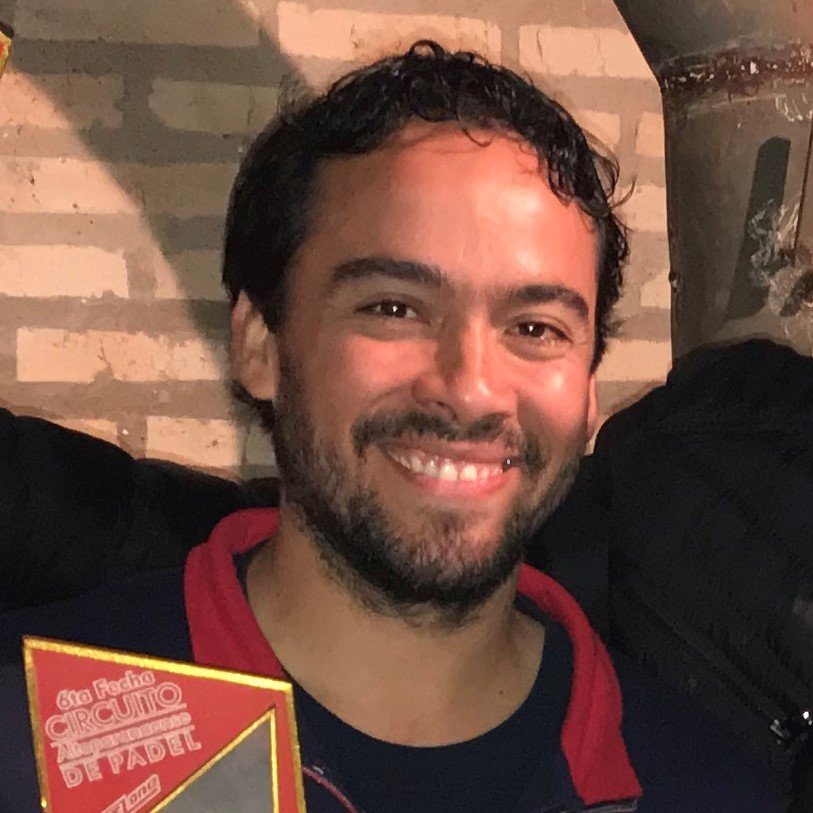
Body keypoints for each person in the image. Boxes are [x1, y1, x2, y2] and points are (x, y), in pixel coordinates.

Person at [0, 41, 784, 812]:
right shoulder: (25, 733)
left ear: (586, 392)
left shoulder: (711, 788)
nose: (469, 388)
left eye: (535, 327)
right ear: (260, 345)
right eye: (394, 308)